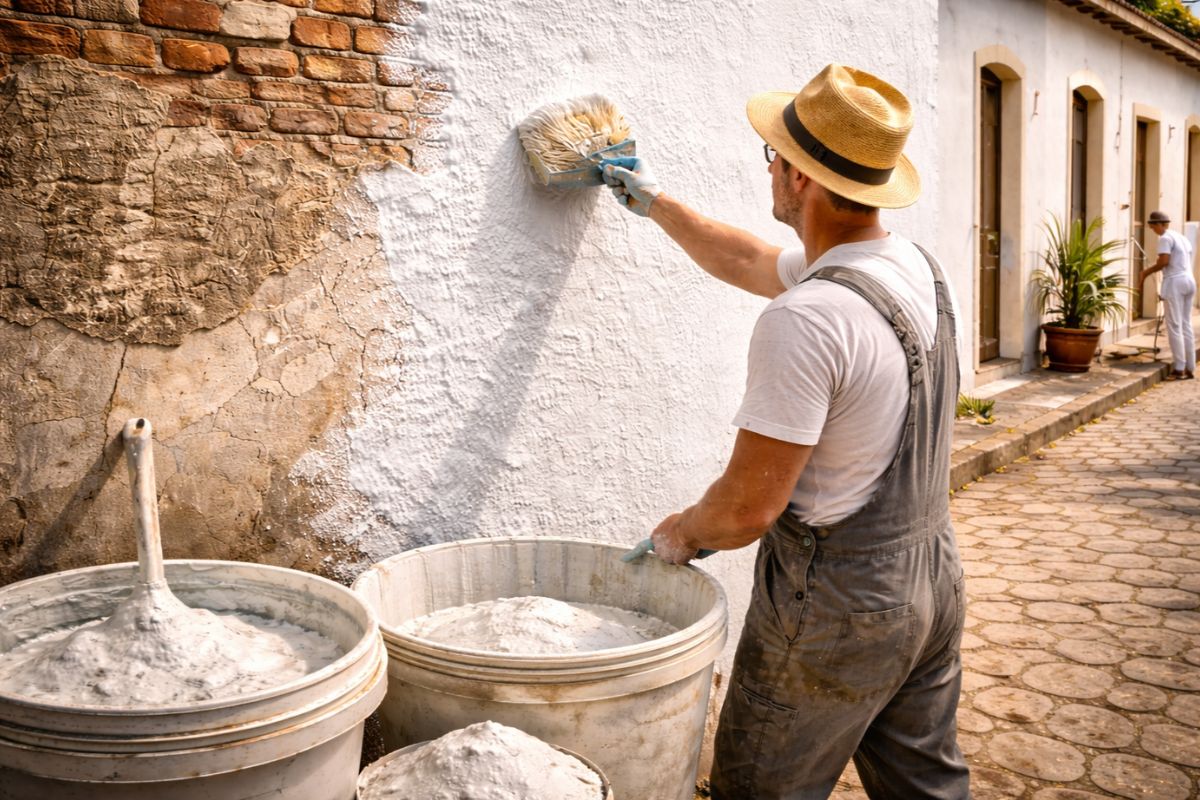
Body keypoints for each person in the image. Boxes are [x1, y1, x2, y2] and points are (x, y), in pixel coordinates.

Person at [601, 64, 969, 799]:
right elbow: (749, 259)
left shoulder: (808, 319)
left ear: (798, 176)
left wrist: (682, 532)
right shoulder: (909, 268)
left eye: (773, 155)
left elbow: (746, 511)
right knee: (923, 784)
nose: (768, 166)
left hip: (836, 607)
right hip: (929, 577)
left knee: (760, 788)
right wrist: (656, 205)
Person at [1141, 210, 1196, 380]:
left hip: (1175, 282)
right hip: (1189, 280)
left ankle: (1179, 368)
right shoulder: (1182, 237)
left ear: (1159, 224)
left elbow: (1164, 261)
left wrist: (1145, 272)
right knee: (1186, 324)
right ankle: (1190, 367)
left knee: (1174, 326)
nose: (1152, 230)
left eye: (1152, 227)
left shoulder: (1165, 238)